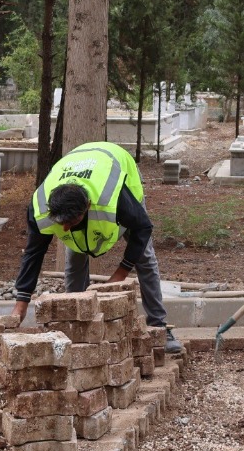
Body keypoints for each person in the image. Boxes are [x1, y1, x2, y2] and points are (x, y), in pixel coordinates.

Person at [10, 140, 183, 355]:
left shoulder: (114, 197)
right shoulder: (40, 207)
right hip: (79, 163)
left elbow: (143, 228)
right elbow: (34, 253)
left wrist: (120, 273)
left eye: (70, 222)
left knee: (144, 258)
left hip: (121, 172)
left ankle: (159, 327)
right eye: (60, 222)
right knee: (74, 258)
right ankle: (74, 327)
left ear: (88, 206)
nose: (64, 227)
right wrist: (21, 301)